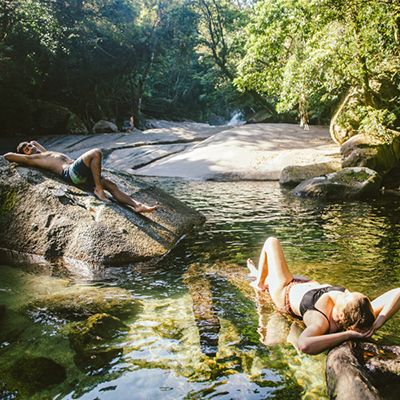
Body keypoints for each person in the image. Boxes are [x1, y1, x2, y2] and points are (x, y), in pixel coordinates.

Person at [247, 237, 400, 354]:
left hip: (285, 291)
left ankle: (261, 280)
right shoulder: (358, 310)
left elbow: (304, 345)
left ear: (340, 317)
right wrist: (379, 322)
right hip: (302, 284)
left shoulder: (321, 321)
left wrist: (347, 336)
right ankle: (260, 280)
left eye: (345, 297)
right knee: (272, 243)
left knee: (272, 242)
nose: (344, 293)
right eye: (348, 294)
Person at [4, 141, 157, 213]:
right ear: (25, 155)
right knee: (96, 152)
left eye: (30, 146)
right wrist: (23, 155)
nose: (31, 147)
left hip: (80, 175)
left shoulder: (42, 154)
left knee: (110, 184)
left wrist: (33, 144)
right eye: (27, 149)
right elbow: (8, 155)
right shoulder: (33, 159)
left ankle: (137, 205)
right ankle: (98, 189)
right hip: (71, 173)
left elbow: (37, 145)